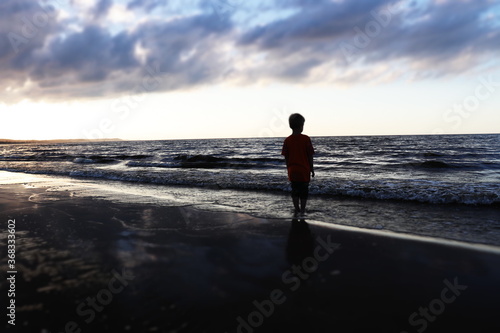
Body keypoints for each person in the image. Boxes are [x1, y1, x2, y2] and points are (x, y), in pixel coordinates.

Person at [281, 113, 315, 216]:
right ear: (301, 126)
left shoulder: (287, 140)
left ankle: (297, 209)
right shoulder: (306, 139)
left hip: (292, 170)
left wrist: (288, 168)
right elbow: (310, 155)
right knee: (304, 191)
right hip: (304, 170)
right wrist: (312, 168)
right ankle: (303, 210)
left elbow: (286, 156)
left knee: (295, 190)